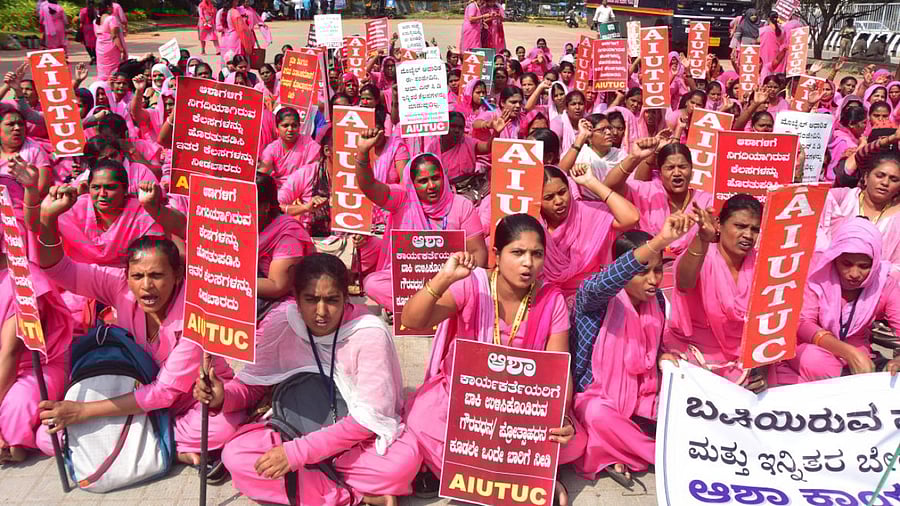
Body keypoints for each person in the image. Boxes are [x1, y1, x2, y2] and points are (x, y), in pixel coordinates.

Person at [23, 176, 244, 468]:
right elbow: (59, 269)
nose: (146, 287)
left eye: (157, 276)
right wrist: (49, 221)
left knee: (222, 427)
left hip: (190, 401)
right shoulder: (118, 286)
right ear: (127, 275)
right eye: (138, 277)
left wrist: (82, 412)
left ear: (177, 276)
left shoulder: (195, 317)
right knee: (46, 437)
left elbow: (164, 393)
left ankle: (144, 444)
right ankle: (155, 446)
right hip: (135, 395)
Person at [194, 254, 422, 505]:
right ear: (296, 296)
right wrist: (222, 396)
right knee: (236, 456)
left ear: (346, 298)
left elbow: (369, 420)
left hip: (352, 444)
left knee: (402, 464)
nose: (321, 312)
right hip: (291, 429)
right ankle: (354, 494)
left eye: (332, 300)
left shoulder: (368, 333)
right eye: (311, 300)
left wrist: (296, 455)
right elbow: (252, 386)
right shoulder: (283, 322)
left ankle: (316, 487)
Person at [402, 214, 586, 505]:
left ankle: (498, 473)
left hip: (523, 406)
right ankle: (513, 476)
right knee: (421, 420)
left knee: (574, 442)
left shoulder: (552, 300)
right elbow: (412, 319)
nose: (528, 263)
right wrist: (445, 277)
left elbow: (558, 372)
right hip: (466, 402)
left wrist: (560, 417)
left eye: (537, 254)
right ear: (497, 256)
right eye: (518, 252)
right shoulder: (472, 285)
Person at [571, 216, 693, 487]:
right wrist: (660, 241)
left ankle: (615, 450)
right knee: (596, 415)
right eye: (643, 271)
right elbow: (602, 283)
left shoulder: (658, 300)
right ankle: (667, 455)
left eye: (659, 270)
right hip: (598, 397)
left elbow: (654, 345)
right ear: (622, 271)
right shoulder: (594, 299)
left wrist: (662, 356)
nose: (653, 280)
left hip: (644, 396)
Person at [356, 147, 489, 308]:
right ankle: (425, 311)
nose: (431, 185)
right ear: (412, 183)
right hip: (409, 282)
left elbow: (478, 251)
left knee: (476, 280)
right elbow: (369, 186)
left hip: (449, 282)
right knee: (372, 283)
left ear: (444, 178)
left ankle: (430, 310)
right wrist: (363, 154)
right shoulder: (402, 199)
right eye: (423, 181)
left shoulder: (461, 205)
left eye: (436, 178)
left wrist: (467, 273)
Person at [0, 177, 72, 464]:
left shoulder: (22, 277)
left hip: (37, 366)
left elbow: (9, 353)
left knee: (14, 410)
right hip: (5, 368)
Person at [666, 194, 771, 391]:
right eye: (740, 226)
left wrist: (762, 368)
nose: (748, 235)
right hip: (697, 355)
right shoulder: (701, 256)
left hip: (748, 359)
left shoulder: (763, 265)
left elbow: (769, 323)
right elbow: (684, 283)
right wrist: (702, 239)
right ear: (719, 225)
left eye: (755, 229)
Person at [777, 218, 900, 385]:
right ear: (835, 257)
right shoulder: (816, 271)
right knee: (812, 358)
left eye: (864, 266)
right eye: (846, 264)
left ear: (875, 262)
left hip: (859, 354)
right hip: (811, 348)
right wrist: (848, 352)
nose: (854, 274)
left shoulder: (884, 282)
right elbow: (803, 324)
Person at [541, 165, 639, 305]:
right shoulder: (534, 226)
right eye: (549, 197)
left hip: (590, 301)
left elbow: (631, 217)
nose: (558, 201)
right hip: (547, 304)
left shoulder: (588, 212)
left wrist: (591, 182)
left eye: (562, 192)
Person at [605, 140, 713, 256]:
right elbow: (610, 188)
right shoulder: (647, 192)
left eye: (682, 167)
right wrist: (634, 157)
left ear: (691, 171)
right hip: (646, 268)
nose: (677, 173)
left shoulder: (706, 201)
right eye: (670, 168)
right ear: (660, 173)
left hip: (690, 270)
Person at [818, 152, 900, 273]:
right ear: (866, 177)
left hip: (877, 288)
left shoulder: (897, 217)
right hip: (829, 278)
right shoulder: (840, 199)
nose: (885, 183)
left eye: (894, 179)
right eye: (880, 175)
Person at [278, 126, 333, 238]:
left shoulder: (359, 177)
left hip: (349, 244)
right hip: (312, 241)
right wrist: (306, 208)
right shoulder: (308, 173)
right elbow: (277, 207)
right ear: (327, 151)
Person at [558, 114, 625, 194]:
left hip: (615, 202)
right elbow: (561, 172)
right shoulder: (580, 154)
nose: (609, 132)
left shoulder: (620, 155)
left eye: (609, 128)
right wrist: (582, 135)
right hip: (586, 203)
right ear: (590, 137)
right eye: (602, 130)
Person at [260, 107, 320, 188]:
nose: (290, 129)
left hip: (304, 190)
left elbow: (314, 174)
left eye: (294, 125)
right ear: (277, 128)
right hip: (279, 190)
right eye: (285, 126)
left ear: (299, 127)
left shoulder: (310, 145)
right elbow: (262, 172)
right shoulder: (272, 148)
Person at [0, 107, 53, 197]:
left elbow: (42, 189)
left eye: (20, 124)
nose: (17, 128)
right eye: (10, 124)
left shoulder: (36, 151)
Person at [94, 0, 127, 82]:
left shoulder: (95, 21)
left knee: (102, 67)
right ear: (108, 7)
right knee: (113, 68)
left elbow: (96, 35)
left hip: (100, 47)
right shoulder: (111, 19)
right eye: (112, 7)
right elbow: (114, 36)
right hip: (111, 47)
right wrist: (122, 50)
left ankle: (103, 83)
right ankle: (112, 83)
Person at [78, 0, 97, 65]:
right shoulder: (95, 11)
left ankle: (92, 56)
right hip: (94, 28)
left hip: (86, 29)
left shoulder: (83, 11)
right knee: (94, 44)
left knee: (87, 44)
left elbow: (81, 20)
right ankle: (95, 57)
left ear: (86, 3)